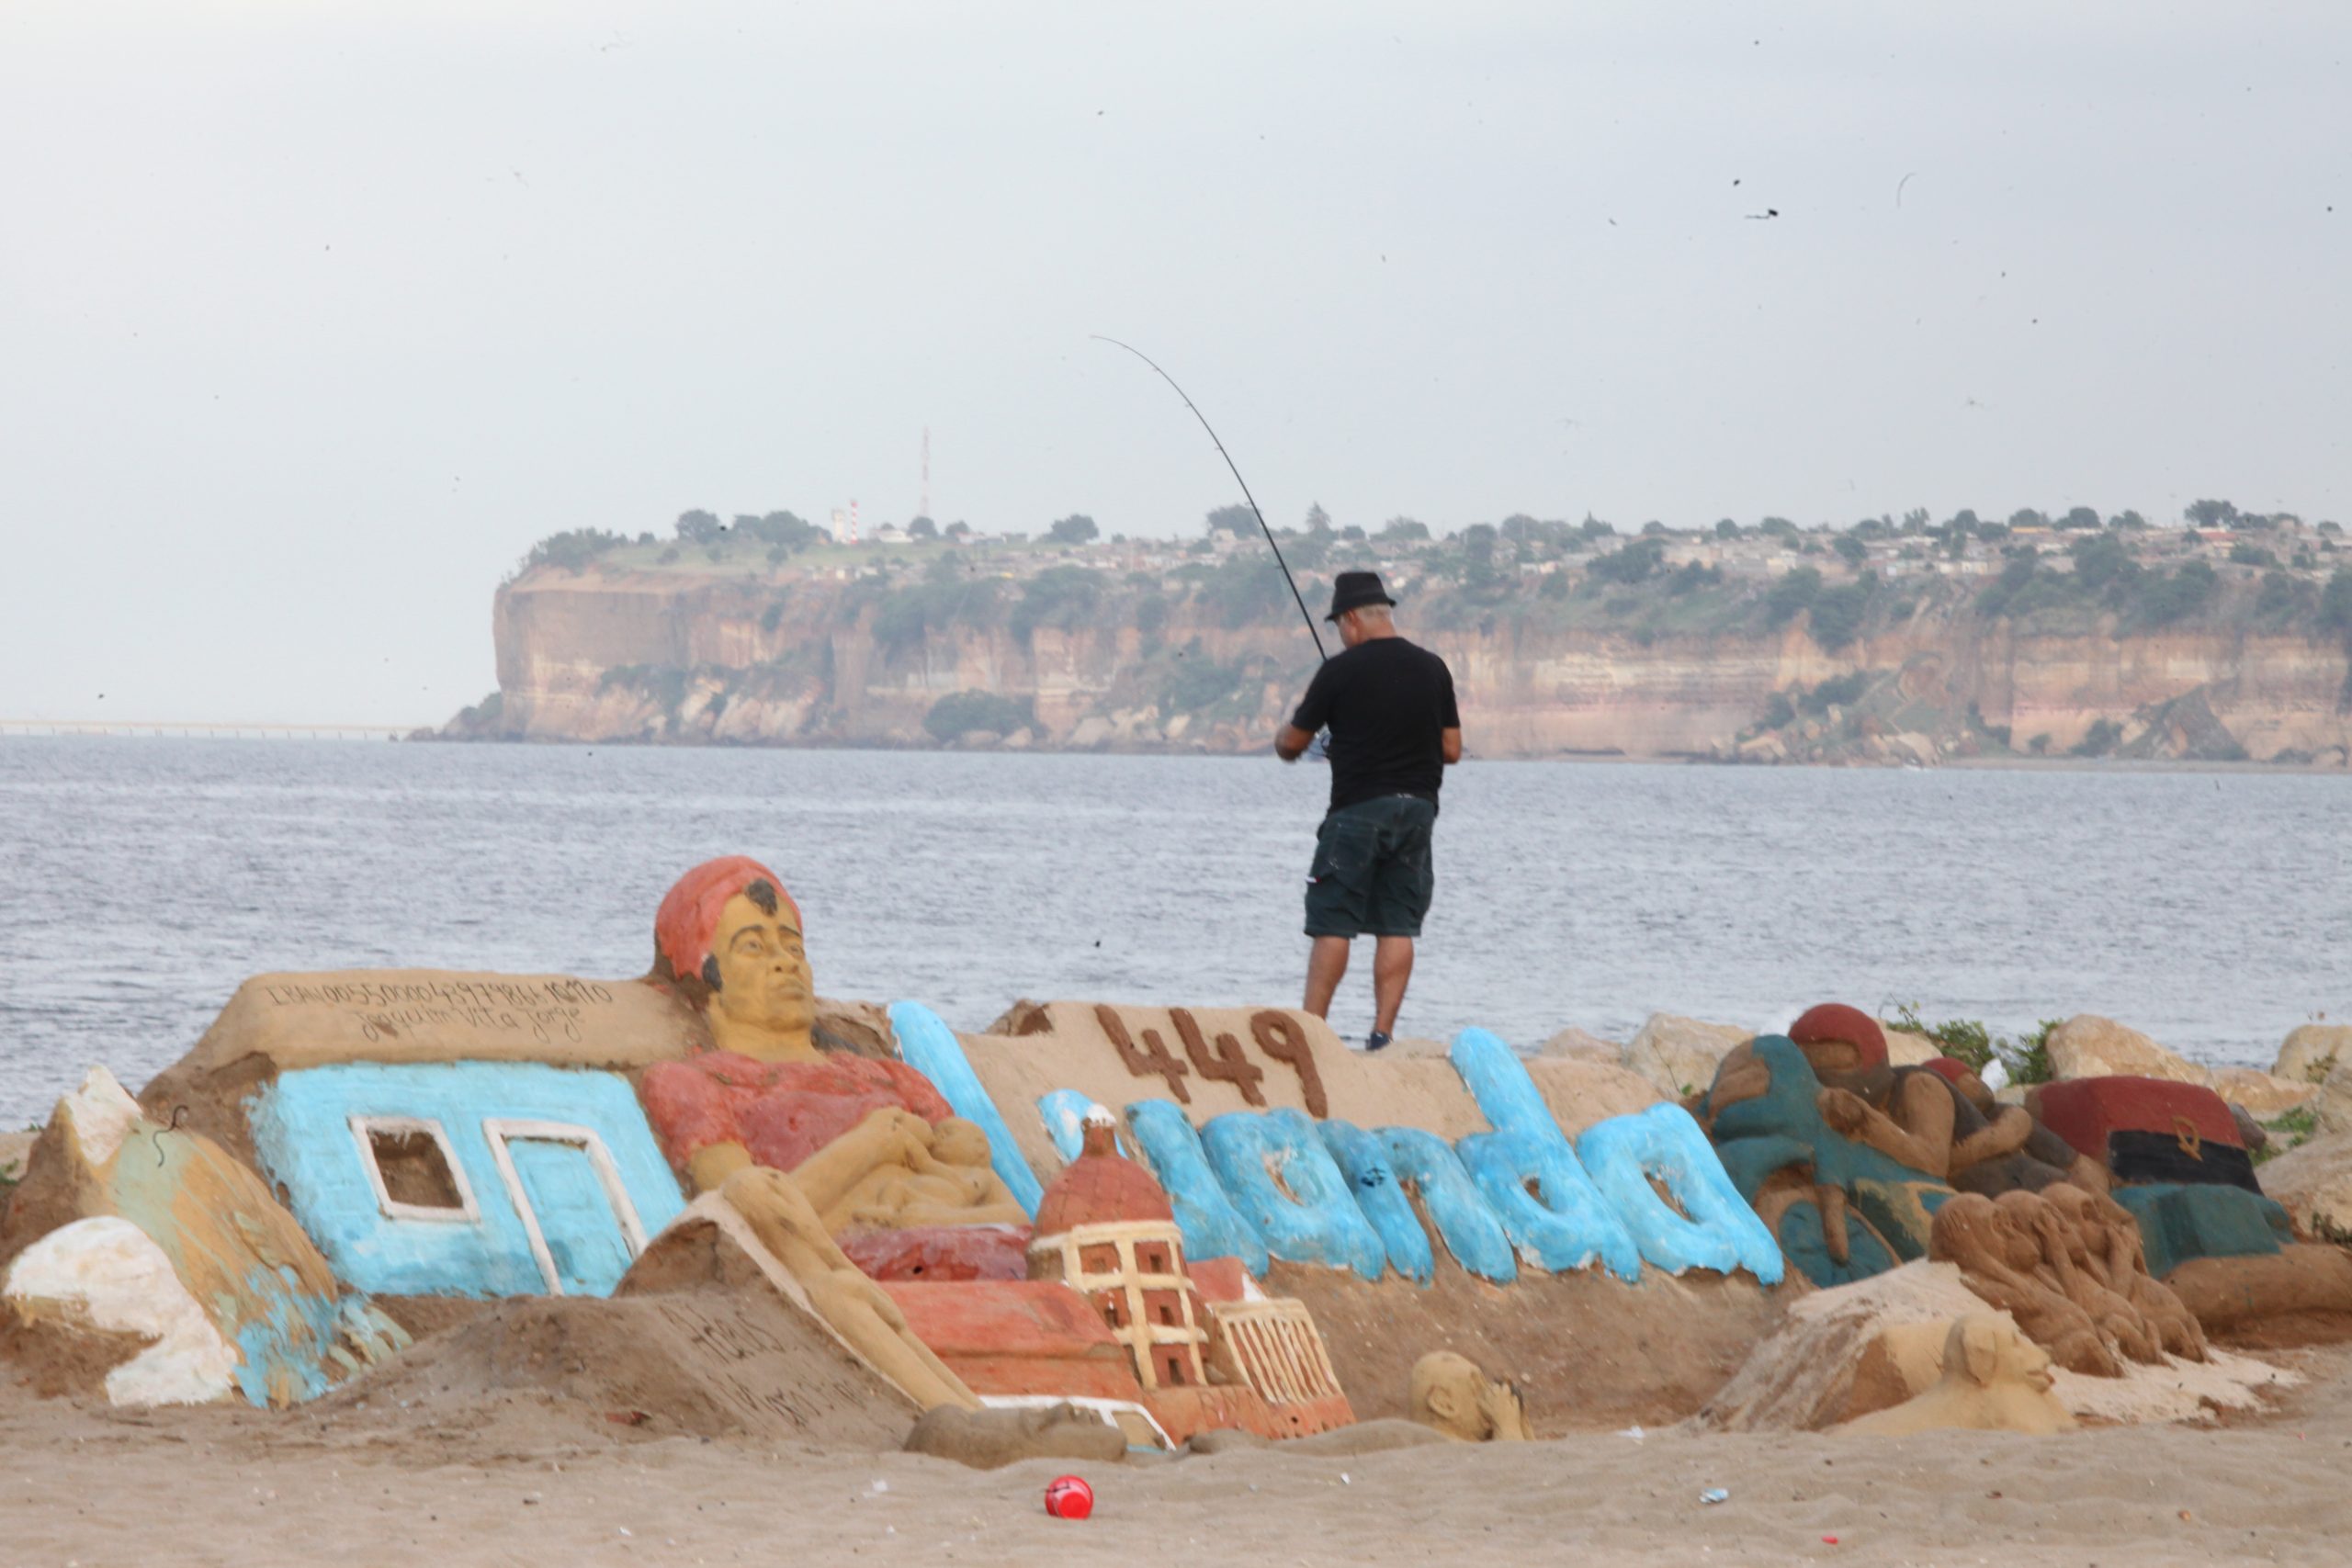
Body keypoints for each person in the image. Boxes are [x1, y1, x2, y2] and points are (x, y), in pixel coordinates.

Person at [1274, 570, 1462, 1051]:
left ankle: (1312, 1031)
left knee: (1333, 920)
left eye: (1340, 624)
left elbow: (1291, 745)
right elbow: (1453, 748)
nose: (1341, 633)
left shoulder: (1340, 671)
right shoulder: (1432, 668)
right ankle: (1382, 1035)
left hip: (1357, 811)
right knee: (1397, 922)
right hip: (1418, 810)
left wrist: (1301, 737)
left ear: (1352, 618)